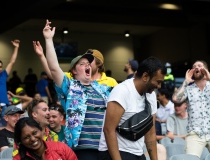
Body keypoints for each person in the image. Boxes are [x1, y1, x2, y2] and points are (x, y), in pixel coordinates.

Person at [42, 19, 112, 160]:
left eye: (88, 63)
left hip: (105, 146)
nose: (87, 65)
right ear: (73, 71)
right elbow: (54, 68)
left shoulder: (103, 89)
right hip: (82, 149)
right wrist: (49, 39)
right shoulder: (70, 86)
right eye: (82, 63)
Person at [98, 56, 166, 160]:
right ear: (145, 76)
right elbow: (108, 129)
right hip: (115, 152)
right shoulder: (122, 91)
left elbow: (150, 132)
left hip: (137, 153)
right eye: (158, 82)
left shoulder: (151, 94)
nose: (159, 86)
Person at [172, 60, 210, 158]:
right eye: (194, 66)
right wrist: (186, 82)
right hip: (195, 133)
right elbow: (176, 99)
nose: (196, 67)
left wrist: (209, 78)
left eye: (199, 66)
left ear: (206, 70)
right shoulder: (188, 88)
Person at [13, 117, 78, 160]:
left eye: (35, 133)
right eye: (26, 137)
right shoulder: (18, 158)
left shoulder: (61, 148)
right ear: (21, 141)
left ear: (41, 131)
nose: (32, 139)